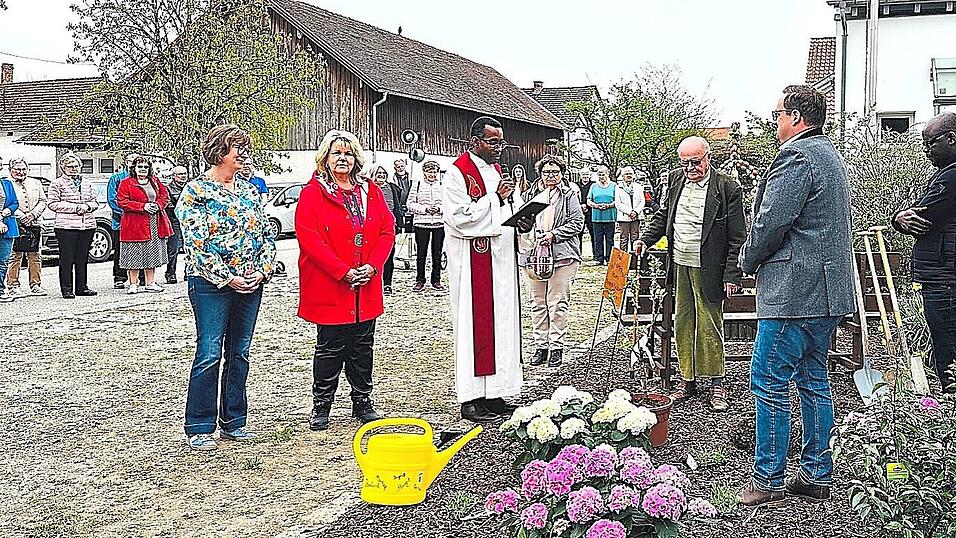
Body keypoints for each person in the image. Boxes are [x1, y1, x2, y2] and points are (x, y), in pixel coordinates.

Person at [737, 85, 855, 507]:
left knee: (769, 381)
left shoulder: (796, 156)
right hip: (826, 292)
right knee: (813, 380)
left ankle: (768, 479)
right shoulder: (829, 154)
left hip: (795, 293)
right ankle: (816, 474)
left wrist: (746, 261)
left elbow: (770, 224)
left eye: (778, 114)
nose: (775, 122)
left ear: (798, 117)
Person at [177, 125, 277, 451]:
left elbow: (265, 235)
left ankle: (234, 421)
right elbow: (196, 243)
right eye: (238, 148)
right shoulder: (195, 192)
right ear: (221, 151)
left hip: (251, 283)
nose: (243, 154)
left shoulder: (250, 191)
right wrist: (227, 276)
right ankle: (200, 424)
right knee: (209, 351)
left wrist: (261, 271)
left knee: (240, 352)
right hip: (211, 284)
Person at [635, 136, 746, 412]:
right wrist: (645, 239)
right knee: (683, 322)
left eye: (695, 162)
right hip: (679, 263)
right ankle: (687, 379)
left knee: (709, 324)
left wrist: (732, 275)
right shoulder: (675, 180)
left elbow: (737, 237)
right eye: (684, 163)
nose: (690, 168)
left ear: (708, 157)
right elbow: (664, 215)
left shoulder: (727, 187)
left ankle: (717, 383)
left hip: (710, 267)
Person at [295, 129, 395, 431]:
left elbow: (386, 230)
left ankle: (362, 400)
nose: (343, 158)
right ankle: (322, 405)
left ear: (356, 158)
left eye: (348, 153)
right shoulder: (313, 192)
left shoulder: (369, 191)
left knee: (363, 346)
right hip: (331, 283)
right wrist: (342, 270)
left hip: (365, 285)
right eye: (337, 153)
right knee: (330, 347)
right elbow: (309, 238)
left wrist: (373, 266)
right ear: (325, 157)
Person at [443, 116, 529, 423]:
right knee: (474, 326)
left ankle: (495, 392)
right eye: (493, 142)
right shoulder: (456, 173)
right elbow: (460, 218)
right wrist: (496, 198)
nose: (499, 149)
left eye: (501, 142)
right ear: (474, 141)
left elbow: (507, 210)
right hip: (473, 264)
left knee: (501, 326)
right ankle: (471, 398)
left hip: (501, 262)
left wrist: (522, 217)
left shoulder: (495, 170)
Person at [892, 111, 956, 393]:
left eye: (931, 143)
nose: (927, 151)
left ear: (952, 139)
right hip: (945, 276)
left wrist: (899, 218)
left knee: (949, 354)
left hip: (946, 280)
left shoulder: (951, 177)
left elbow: (921, 215)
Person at [518, 155, 584, 368]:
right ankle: (540, 345)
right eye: (547, 172)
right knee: (537, 302)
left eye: (555, 172)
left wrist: (554, 235)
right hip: (534, 254)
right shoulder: (530, 194)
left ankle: (556, 345)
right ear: (540, 174)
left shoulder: (569, 195)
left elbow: (577, 222)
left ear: (562, 173)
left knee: (557, 302)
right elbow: (522, 220)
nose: (551, 176)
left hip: (561, 254)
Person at [117, 156, 172, 294]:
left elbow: (165, 197)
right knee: (133, 254)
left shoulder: (155, 181)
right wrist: (142, 206)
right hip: (134, 223)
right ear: (134, 168)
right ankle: (133, 284)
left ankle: (150, 283)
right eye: (139, 166)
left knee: (151, 253)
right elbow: (122, 201)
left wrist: (157, 205)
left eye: (145, 167)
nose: (142, 169)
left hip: (154, 222)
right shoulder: (126, 183)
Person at [48, 153, 99, 299]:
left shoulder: (87, 182)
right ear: (63, 167)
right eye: (70, 166)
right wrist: (75, 207)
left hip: (87, 225)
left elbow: (95, 202)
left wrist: (87, 207)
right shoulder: (57, 183)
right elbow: (52, 203)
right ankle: (67, 288)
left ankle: (82, 287)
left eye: (76, 166)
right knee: (67, 258)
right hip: (66, 226)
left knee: (82, 257)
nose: (73, 169)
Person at [6, 158, 47, 298]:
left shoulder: (36, 182)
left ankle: (35, 284)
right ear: (10, 169)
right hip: (14, 223)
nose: (20, 172)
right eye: (17, 169)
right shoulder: (6, 184)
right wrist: (22, 216)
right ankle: (13, 285)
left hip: (34, 223)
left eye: (23, 169)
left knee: (35, 255)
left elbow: (43, 201)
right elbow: (6, 203)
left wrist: (33, 215)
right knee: (15, 255)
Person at [365, 162, 404, 295]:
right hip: (372, 227)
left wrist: (399, 223)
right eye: (378, 173)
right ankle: (374, 284)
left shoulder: (393, 188)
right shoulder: (368, 188)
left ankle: (387, 284)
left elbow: (397, 206)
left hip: (389, 227)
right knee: (373, 257)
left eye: (383, 174)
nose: (381, 176)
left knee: (388, 256)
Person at [407, 159, 446, 291]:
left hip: (438, 223)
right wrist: (424, 209)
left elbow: (449, 203)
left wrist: (439, 209)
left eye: (434, 172)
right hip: (421, 223)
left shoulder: (443, 185)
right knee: (421, 253)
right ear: (424, 172)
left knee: (437, 253)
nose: (432, 175)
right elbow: (410, 204)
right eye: (429, 172)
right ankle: (420, 280)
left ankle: (436, 280)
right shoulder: (417, 185)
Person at [108, 154, 139, 289]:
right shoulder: (116, 179)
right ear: (126, 162)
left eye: (136, 162)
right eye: (131, 161)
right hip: (120, 221)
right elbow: (113, 199)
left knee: (140, 249)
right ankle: (119, 277)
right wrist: (128, 212)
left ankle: (141, 277)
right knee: (120, 250)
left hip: (140, 221)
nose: (133, 164)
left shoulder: (143, 180)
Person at [586, 165, 616, 265]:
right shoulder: (594, 186)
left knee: (609, 239)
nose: (601, 176)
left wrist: (609, 205)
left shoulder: (614, 186)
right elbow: (589, 200)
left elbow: (618, 200)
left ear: (607, 174)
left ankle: (609, 258)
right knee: (597, 239)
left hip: (610, 216)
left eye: (603, 174)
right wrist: (596, 205)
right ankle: (599, 259)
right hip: (597, 216)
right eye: (599, 174)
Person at [164, 166, 188, 284]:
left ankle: (188, 272)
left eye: (185, 174)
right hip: (175, 220)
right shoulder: (168, 188)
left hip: (189, 221)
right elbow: (168, 206)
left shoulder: (189, 187)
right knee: (174, 248)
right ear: (174, 175)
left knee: (190, 247)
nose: (183, 176)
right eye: (180, 174)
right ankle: (170, 273)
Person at [614, 166, 646, 252]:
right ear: (622, 176)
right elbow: (618, 203)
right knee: (623, 239)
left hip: (636, 216)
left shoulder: (639, 187)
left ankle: (634, 259)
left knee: (635, 237)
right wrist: (629, 212)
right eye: (626, 174)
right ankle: (623, 260)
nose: (629, 175)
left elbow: (642, 201)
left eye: (630, 173)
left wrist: (635, 211)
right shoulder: (618, 187)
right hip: (624, 217)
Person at [0, 173, 18, 303]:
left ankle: (0, 290)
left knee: (4, 260)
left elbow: (15, 202)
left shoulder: (7, 183)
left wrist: (9, 210)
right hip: (2, 224)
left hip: (7, 226)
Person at [578, 168, 596, 259]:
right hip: (579, 212)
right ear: (580, 175)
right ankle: (578, 254)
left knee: (593, 234)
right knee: (578, 235)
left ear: (590, 175)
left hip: (591, 212)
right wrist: (581, 205)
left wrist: (587, 206)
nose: (585, 176)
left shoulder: (594, 185)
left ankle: (596, 255)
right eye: (583, 174)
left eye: (587, 174)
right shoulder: (576, 185)